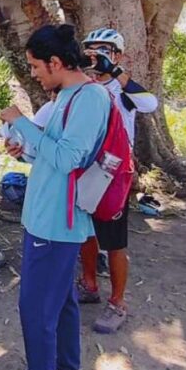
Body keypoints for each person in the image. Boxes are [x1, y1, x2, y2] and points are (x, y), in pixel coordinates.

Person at [0, 24, 110, 370]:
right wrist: (23, 145)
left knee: (35, 312)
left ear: (57, 63)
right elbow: (51, 149)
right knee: (61, 304)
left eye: (36, 67)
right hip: (47, 216)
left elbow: (67, 157)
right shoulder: (69, 97)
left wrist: (20, 122)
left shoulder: (90, 98)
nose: (35, 75)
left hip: (55, 224)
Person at [77, 27, 160, 333]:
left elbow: (150, 104)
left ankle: (118, 302)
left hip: (113, 175)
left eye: (104, 51)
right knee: (85, 232)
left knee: (114, 241)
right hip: (86, 168)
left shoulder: (124, 91)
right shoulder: (85, 87)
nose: (97, 57)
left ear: (118, 55)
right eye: (92, 51)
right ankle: (89, 284)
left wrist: (115, 72)